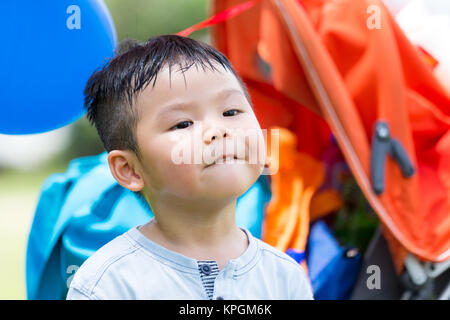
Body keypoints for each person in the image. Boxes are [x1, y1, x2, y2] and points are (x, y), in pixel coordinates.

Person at [66, 34, 314, 300]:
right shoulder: (109, 284)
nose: (217, 131)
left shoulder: (284, 277)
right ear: (130, 169)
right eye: (182, 124)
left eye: (231, 112)